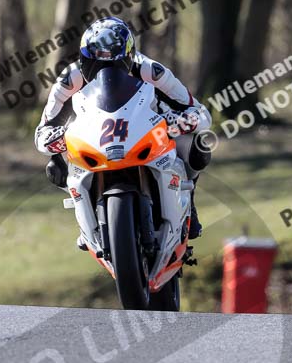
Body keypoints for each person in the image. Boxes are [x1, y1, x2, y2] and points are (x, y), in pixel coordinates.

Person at [34, 17, 212, 239]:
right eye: (96, 63)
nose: (105, 72)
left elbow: (200, 112)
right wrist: (56, 137)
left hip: (147, 132)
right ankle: (85, 221)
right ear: (84, 59)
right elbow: (42, 131)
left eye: (114, 64)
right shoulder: (69, 79)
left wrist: (184, 120)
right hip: (93, 137)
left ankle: (188, 202)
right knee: (55, 166)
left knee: (199, 143)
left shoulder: (151, 71)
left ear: (129, 56)